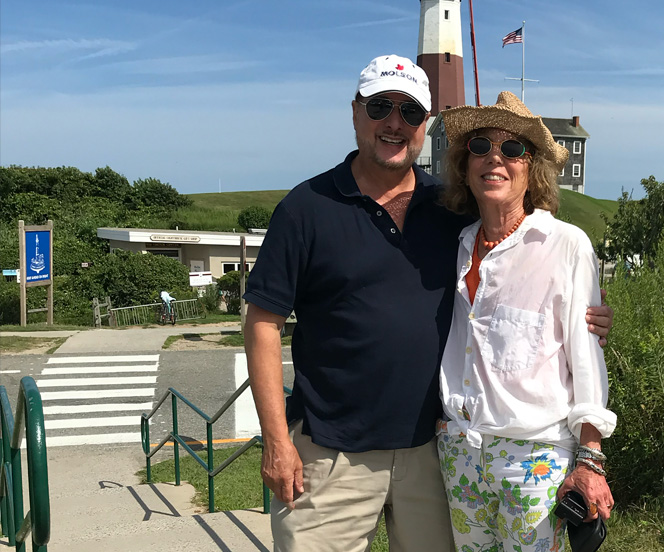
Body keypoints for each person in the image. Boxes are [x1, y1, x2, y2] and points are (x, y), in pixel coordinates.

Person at [242, 55, 613, 552]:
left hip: (431, 454)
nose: (395, 123)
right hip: (332, 453)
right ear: (356, 112)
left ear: (424, 127)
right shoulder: (307, 208)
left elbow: (535, 302)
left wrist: (585, 313)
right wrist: (275, 440)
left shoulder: (449, 211)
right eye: (380, 107)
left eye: (411, 113)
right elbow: (262, 321)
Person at [435, 91, 616, 551]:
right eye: (480, 146)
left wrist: (590, 458)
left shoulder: (566, 246)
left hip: (533, 458)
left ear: (531, 166)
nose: (494, 158)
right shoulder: (456, 244)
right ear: (463, 162)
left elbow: (586, 357)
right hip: (459, 451)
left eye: (512, 148)